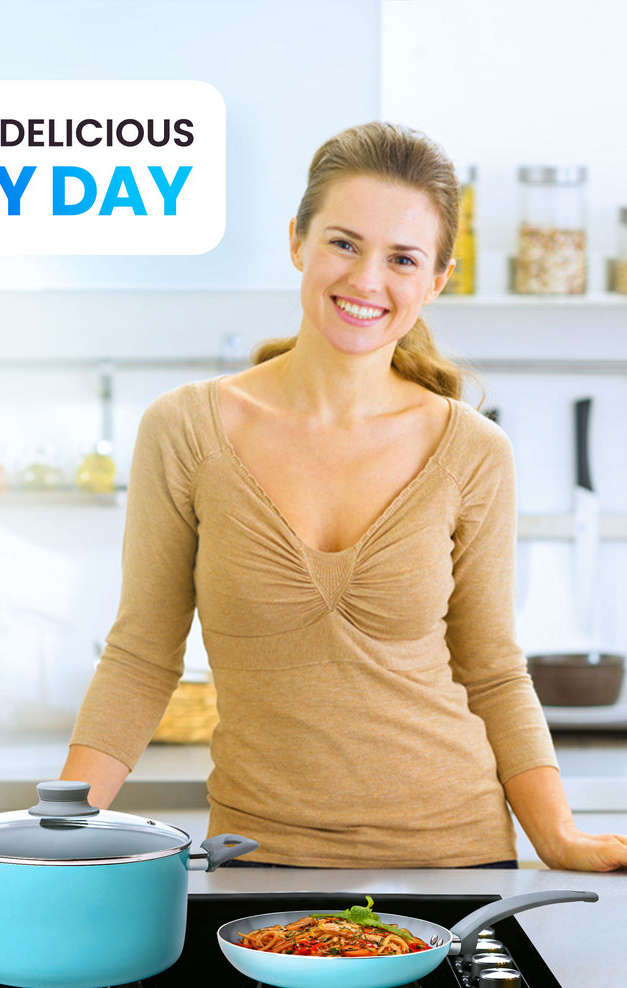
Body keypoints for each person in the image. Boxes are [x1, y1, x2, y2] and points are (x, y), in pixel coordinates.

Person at [60, 121, 627, 872]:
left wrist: (558, 835)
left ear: (436, 280)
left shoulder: (474, 451)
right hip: (259, 858)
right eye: (344, 243)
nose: (366, 280)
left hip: (456, 861)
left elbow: (492, 670)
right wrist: (52, 836)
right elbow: (140, 658)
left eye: (402, 259)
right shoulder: (185, 430)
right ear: (297, 241)